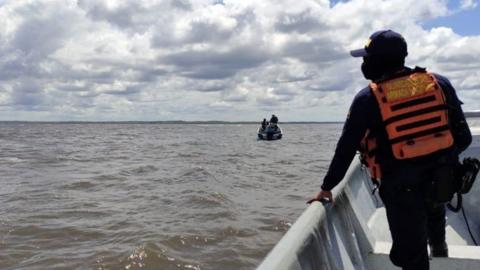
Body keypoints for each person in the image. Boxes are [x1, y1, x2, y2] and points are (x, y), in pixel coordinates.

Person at [308, 30, 472, 270]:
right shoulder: (439, 83)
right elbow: (464, 137)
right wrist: (438, 159)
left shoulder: (367, 98)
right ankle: (440, 252)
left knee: (412, 257)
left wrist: (326, 187)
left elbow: (345, 149)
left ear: (377, 61)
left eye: (367, 58)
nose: (364, 63)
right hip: (442, 178)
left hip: (401, 187)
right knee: (436, 211)